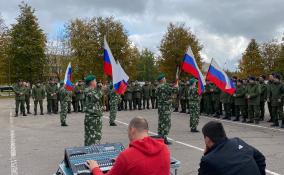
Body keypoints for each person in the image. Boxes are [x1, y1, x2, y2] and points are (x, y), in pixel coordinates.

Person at [86, 117, 170, 175]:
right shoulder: (164, 149)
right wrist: (122, 163)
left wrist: (95, 168)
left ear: (132, 130)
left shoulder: (126, 156)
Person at [198, 121, 266, 175]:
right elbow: (260, 158)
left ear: (207, 138)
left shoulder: (208, 160)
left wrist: (207, 154)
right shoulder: (237, 141)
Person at [156, 73, 178, 145]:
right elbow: (175, 91)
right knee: (166, 123)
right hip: (165, 108)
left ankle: (160, 138)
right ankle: (163, 139)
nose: (165, 79)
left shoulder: (158, 87)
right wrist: (177, 86)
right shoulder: (164, 87)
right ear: (162, 80)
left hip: (161, 107)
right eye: (164, 78)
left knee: (161, 122)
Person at [84, 75, 104, 146]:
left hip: (94, 117)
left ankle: (90, 153)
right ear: (92, 82)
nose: (96, 82)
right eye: (95, 81)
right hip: (92, 119)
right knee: (93, 139)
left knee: (93, 138)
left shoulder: (92, 90)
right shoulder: (88, 90)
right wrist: (100, 89)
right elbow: (96, 97)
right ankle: (92, 154)